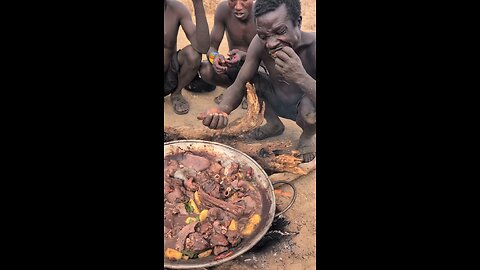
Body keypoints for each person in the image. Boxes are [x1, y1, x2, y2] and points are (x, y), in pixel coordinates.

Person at [198, 0, 316, 162]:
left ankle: (308, 136)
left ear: (298, 22)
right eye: (264, 35)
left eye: (280, 31)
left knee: (309, 106)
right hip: (277, 100)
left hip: (305, 109)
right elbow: (240, 83)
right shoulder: (260, 43)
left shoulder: (314, 47)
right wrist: (222, 109)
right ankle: (273, 123)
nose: (272, 43)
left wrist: (300, 77)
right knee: (252, 77)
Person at [186, 0, 257, 109]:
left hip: (259, 67)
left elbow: (270, 55)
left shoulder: (262, 12)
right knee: (206, 69)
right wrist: (214, 58)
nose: (237, 6)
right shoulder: (223, 9)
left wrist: (244, 56)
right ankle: (238, 91)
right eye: (232, 0)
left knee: (261, 71)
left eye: (244, 0)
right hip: (235, 65)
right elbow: (211, 47)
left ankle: (252, 92)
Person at [164, 0, 210, 114]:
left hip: (168, 76)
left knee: (193, 54)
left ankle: (176, 93)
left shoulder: (176, 8)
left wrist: (198, 4)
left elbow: (202, 47)